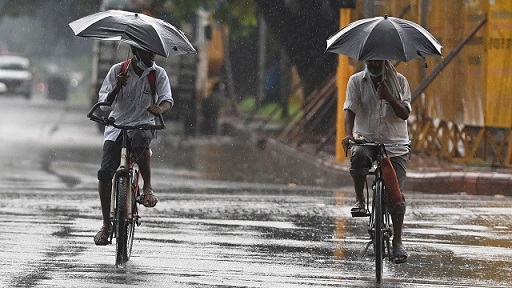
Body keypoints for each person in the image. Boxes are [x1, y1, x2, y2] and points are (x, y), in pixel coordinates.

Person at [94, 45, 173, 245]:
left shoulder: (158, 74)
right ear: (135, 52)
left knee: (140, 143)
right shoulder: (117, 71)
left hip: (143, 124)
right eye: (147, 51)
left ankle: (147, 188)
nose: (152, 55)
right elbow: (105, 103)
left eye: (153, 51)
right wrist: (117, 87)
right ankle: (106, 224)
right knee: (105, 173)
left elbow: (167, 100)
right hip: (116, 125)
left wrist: (159, 109)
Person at [341, 59, 411, 264]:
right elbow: (350, 111)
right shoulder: (355, 81)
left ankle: (397, 242)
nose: (373, 64)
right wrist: (349, 136)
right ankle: (360, 200)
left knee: (395, 195)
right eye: (370, 60)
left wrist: (389, 96)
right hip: (366, 139)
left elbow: (405, 113)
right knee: (359, 157)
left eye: (378, 60)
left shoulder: (400, 82)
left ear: (385, 61)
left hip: (395, 145)